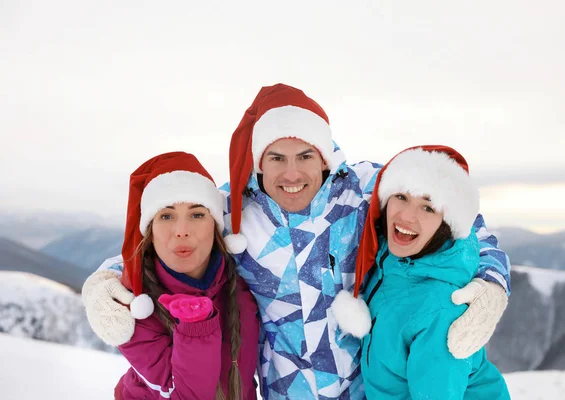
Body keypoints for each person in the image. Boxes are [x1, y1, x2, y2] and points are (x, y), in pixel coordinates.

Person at [82, 84, 511, 399]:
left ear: (324, 157)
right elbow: (168, 240)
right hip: (285, 391)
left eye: (305, 156)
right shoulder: (232, 210)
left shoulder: (364, 191)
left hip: (363, 389)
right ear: (258, 163)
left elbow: (460, 221)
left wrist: (492, 284)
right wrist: (105, 281)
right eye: (277, 158)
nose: (292, 174)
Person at [336, 145, 510, 399]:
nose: (407, 215)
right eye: (402, 197)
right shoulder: (392, 260)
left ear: (447, 224)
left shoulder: (440, 309)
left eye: (428, 207)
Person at [105, 152, 259, 399]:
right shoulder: (132, 307)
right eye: (166, 216)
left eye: (197, 214)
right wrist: (196, 324)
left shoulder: (241, 285)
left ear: (215, 224)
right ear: (150, 231)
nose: (182, 231)